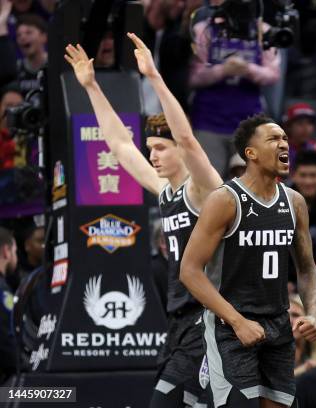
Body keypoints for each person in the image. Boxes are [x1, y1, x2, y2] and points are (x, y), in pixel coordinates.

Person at [64, 33, 223, 408]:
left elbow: (186, 137)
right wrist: (91, 88)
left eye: (160, 149)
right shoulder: (164, 190)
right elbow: (119, 145)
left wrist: (153, 77)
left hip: (211, 323)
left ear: (180, 152)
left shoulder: (206, 190)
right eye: (150, 149)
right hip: (180, 324)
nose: (152, 156)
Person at [179, 114, 316, 407]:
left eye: (284, 138)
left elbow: (306, 267)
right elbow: (190, 271)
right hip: (230, 325)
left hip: (278, 323)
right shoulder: (226, 200)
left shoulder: (294, 202)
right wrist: (237, 321)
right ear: (251, 153)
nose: (284, 144)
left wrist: (313, 313)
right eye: (274, 139)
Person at [189, 0, 281, 178]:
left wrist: (248, 69)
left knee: (249, 186)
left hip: (249, 124)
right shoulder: (204, 30)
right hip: (208, 122)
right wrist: (222, 70)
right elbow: (192, 77)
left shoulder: (264, 31)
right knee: (209, 183)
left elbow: (273, 74)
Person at [0, 226, 17, 385]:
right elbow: (6, 337)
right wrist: (24, 367)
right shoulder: (2, 291)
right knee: (62, 395)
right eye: (15, 251)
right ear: (6, 251)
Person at [14, 14, 46, 97]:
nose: (23, 37)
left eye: (29, 32)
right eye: (19, 35)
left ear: (43, 36)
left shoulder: (55, 65)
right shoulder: (16, 69)